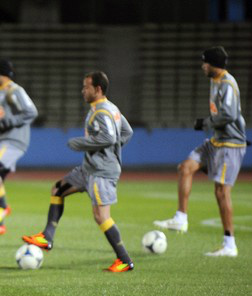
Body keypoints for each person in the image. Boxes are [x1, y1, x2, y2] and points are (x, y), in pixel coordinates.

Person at [22, 71, 135, 272]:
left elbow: (108, 138)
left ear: (98, 89)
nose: (83, 90)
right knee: (58, 189)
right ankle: (47, 237)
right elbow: (127, 132)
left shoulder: (101, 111)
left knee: (101, 216)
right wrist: (113, 150)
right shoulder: (112, 108)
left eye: (86, 87)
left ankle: (124, 259)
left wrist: (82, 143)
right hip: (88, 169)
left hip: (101, 172)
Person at [154, 46, 247, 257]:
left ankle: (229, 244)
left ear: (213, 64)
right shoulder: (215, 82)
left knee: (222, 193)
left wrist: (205, 122)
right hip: (217, 141)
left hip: (230, 144)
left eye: (205, 62)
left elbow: (230, 115)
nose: (202, 66)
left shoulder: (227, 84)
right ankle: (181, 218)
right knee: (185, 167)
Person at [0, 59, 38, 239]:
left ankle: (3, 206)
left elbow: (31, 112)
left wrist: (11, 122)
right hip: (5, 140)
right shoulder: (0, 93)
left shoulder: (14, 90)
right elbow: (2, 119)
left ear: (0, 74)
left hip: (14, 141)